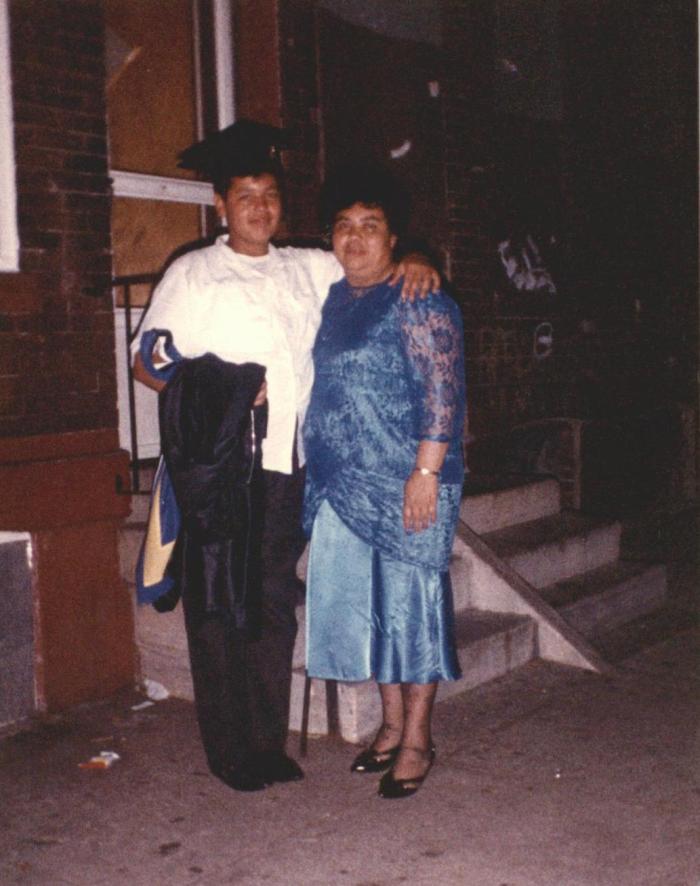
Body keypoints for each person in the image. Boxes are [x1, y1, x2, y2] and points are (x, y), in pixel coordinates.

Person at [131, 120, 440, 792]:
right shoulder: (195, 272)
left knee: (271, 605)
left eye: (269, 194)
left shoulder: (308, 266)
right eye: (245, 196)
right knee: (215, 606)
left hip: (285, 472)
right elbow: (149, 359)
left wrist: (415, 255)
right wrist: (231, 382)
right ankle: (231, 752)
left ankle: (267, 744)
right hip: (218, 472)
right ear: (221, 205)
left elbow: (372, 263)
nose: (259, 208)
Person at [303, 164, 466, 799]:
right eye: (343, 226)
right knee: (373, 611)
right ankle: (391, 725)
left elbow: (443, 392)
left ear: (394, 238)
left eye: (370, 226)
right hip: (343, 481)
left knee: (411, 610)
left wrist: (425, 471)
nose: (355, 237)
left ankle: (419, 739)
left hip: (407, 481)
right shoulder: (333, 295)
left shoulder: (420, 297)